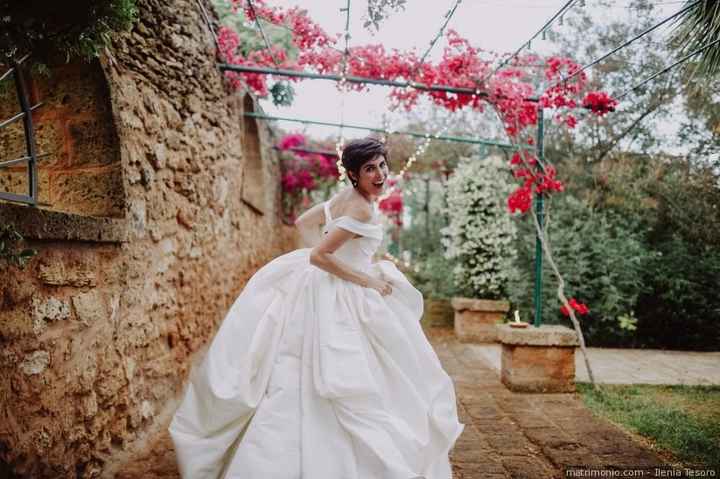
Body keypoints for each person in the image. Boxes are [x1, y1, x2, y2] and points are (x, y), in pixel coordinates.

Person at [168, 137, 465, 479]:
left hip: (320, 287)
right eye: (370, 168)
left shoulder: (346, 198)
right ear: (354, 174)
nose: (380, 173)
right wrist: (365, 279)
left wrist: (340, 262)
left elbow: (303, 224)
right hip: (344, 290)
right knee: (343, 369)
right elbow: (319, 255)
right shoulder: (362, 208)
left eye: (382, 165)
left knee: (296, 367)